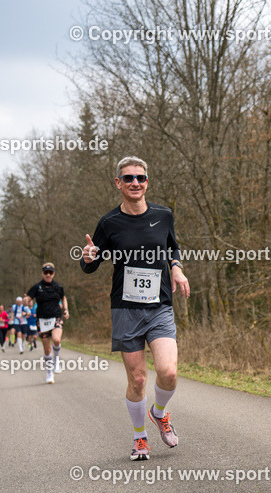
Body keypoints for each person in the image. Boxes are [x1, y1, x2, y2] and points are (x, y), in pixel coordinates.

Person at [80, 156, 189, 461]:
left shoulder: (163, 215)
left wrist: (177, 268)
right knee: (138, 379)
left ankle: (160, 413)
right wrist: (88, 257)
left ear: (147, 182)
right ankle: (140, 438)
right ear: (118, 183)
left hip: (160, 306)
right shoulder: (109, 223)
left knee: (168, 372)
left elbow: (172, 247)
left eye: (141, 178)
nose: (135, 183)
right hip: (125, 309)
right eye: (128, 178)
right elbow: (90, 264)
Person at [27, 263, 69, 384]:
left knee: (56, 340)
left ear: (53, 273)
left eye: (50, 272)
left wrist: (66, 310)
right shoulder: (37, 287)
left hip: (55, 317)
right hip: (42, 320)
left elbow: (63, 298)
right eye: (46, 273)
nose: (48, 275)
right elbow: (27, 300)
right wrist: (25, 301)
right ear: (42, 273)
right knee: (47, 349)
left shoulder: (58, 287)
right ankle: (49, 372)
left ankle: (56, 362)